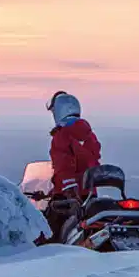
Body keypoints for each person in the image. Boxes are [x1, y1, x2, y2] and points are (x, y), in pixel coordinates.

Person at [43, 91, 102, 241]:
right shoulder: (90, 135)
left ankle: (46, 261)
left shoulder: (61, 136)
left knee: (47, 234)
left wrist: (69, 190)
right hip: (89, 195)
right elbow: (93, 161)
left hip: (69, 199)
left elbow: (63, 166)